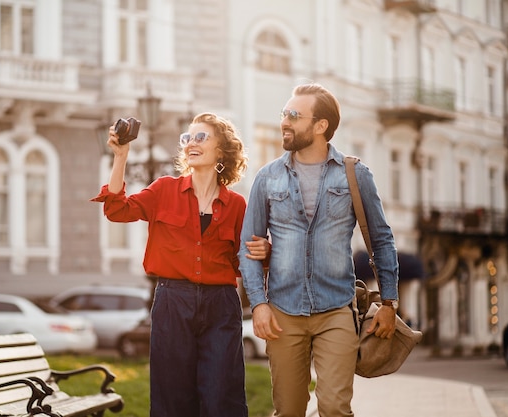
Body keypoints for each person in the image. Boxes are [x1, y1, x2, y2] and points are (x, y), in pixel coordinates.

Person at [92, 112, 269, 417]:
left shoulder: (238, 205)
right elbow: (117, 210)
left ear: (222, 150)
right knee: (172, 397)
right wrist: (121, 156)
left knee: (221, 396)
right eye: (187, 138)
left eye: (201, 137)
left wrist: (264, 250)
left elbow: (248, 260)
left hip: (221, 306)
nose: (190, 144)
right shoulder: (163, 190)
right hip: (173, 302)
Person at [238, 83, 399, 417]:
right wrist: (259, 305)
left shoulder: (355, 175)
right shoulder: (268, 178)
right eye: (284, 114)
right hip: (282, 312)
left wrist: (389, 302)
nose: (285, 121)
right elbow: (248, 246)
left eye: (294, 115)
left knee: (336, 408)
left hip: (336, 310)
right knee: (289, 410)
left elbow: (382, 240)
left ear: (321, 125)